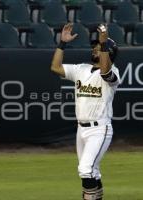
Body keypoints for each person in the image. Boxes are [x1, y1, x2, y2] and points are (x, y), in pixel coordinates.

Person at [50, 23, 120, 200]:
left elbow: (105, 72)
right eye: (95, 48)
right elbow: (55, 67)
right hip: (81, 129)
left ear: (109, 53)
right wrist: (62, 44)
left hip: (99, 128)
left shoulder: (114, 73)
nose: (95, 50)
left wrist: (104, 43)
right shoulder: (81, 69)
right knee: (92, 172)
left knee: (85, 169)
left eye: (99, 48)